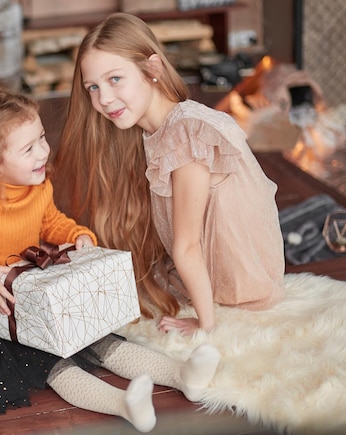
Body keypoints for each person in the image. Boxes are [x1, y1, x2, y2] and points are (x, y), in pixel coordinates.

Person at [0, 83, 221, 432]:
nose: (42, 152)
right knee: (53, 363)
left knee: (98, 341)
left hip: (34, 290)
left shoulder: (39, 187)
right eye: (28, 148)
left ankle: (183, 376)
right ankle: (122, 404)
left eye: (42, 139)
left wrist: (76, 235)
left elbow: (51, 222)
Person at [54, 13, 285, 337]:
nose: (103, 99)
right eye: (92, 86)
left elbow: (187, 246)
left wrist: (204, 325)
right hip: (215, 272)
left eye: (115, 79)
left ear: (153, 69)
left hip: (241, 286)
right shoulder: (162, 130)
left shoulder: (186, 134)